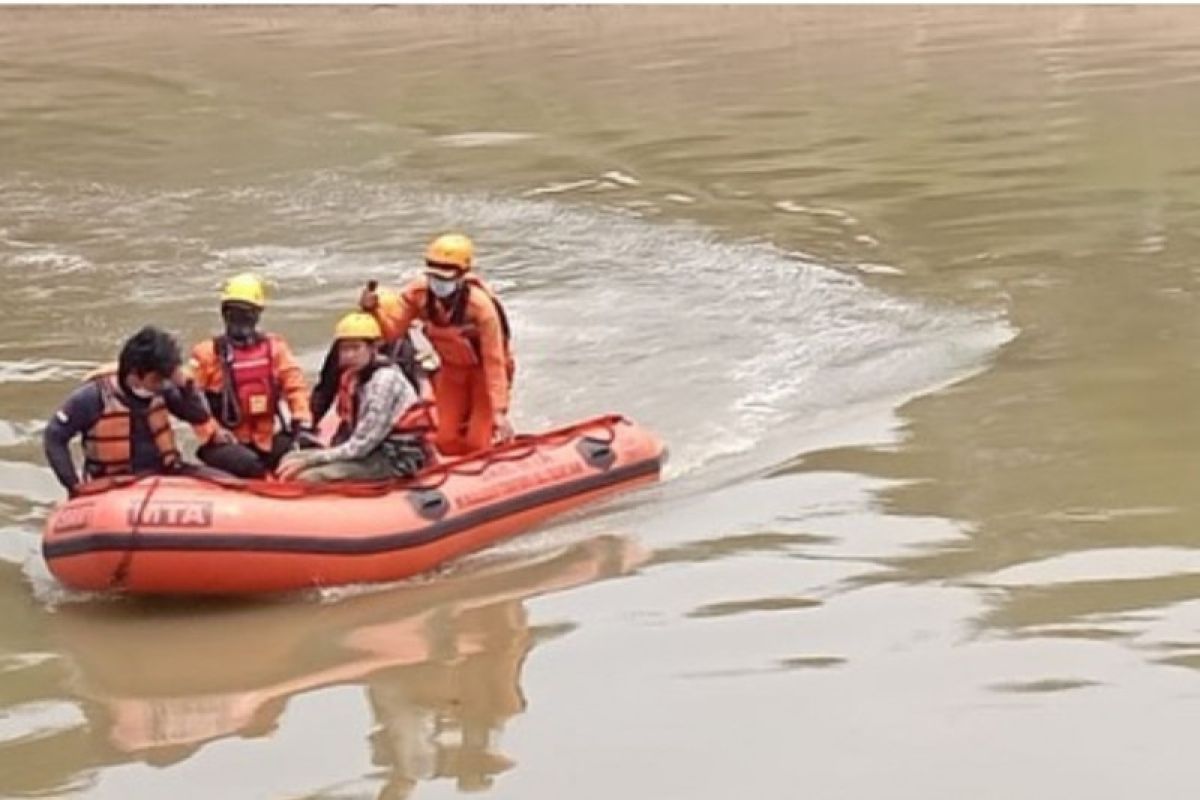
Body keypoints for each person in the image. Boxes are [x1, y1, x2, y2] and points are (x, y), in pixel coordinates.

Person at [360, 233, 515, 456]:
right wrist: (374, 309)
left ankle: (497, 451)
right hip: (452, 371)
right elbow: (393, 331)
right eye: (433, 274)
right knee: (445, 439)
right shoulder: (418, 294)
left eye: (445, 276)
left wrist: (499, 411)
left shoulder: (480, 308)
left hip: (484, 374)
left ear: (462, 275)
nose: (438, 282)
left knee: (477, 441)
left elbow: (494, 360)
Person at [42, 326, 217, 495]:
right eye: (157, 379)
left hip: (164, 474)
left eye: (166, 377)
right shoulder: (93, 397)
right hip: (112, 483)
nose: (163, 384)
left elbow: (199, 416)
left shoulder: (164, 390)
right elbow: (54, 437)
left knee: (228, 482)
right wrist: (73, 485)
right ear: (134, 375)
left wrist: (186, 386)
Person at [187, 273, 315, 478]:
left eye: (245, 313)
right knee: (249, 465)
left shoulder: (275, 348)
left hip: (266, 438)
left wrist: (302, 419)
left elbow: (295, 385)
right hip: (226, 441)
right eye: (233, 313)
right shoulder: (207, 353)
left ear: (256, 315)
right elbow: (189, 399)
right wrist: (212, 432)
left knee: (311, 451)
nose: (239, 319)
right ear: (224, 314)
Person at [276, 312, 426, 483]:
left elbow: (361, 445)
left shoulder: (384, 382)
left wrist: (313, 459)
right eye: (344, 349)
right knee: (290, 458)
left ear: (373, 348)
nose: (349, 355)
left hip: (394, 458)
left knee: (308, 477)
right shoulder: (354, 377)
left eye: (355, 348)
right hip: (371, 451)